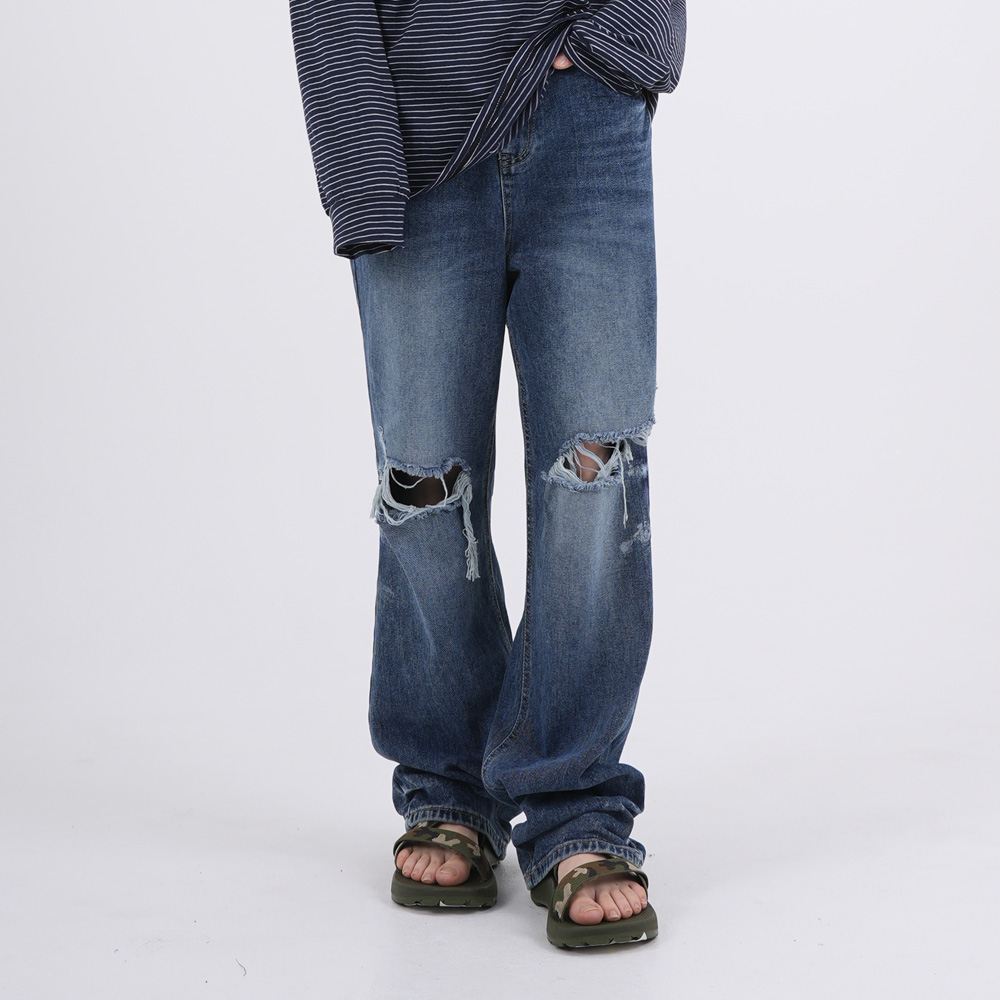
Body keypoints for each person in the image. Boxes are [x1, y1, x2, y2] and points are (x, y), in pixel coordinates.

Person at [290, 1, 686, 949]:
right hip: (413, 123)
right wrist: (361, 170)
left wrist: (622, 43)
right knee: (423, 482)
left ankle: (578, 803)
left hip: (587, 121)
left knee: (597, 470)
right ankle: (449, 785)